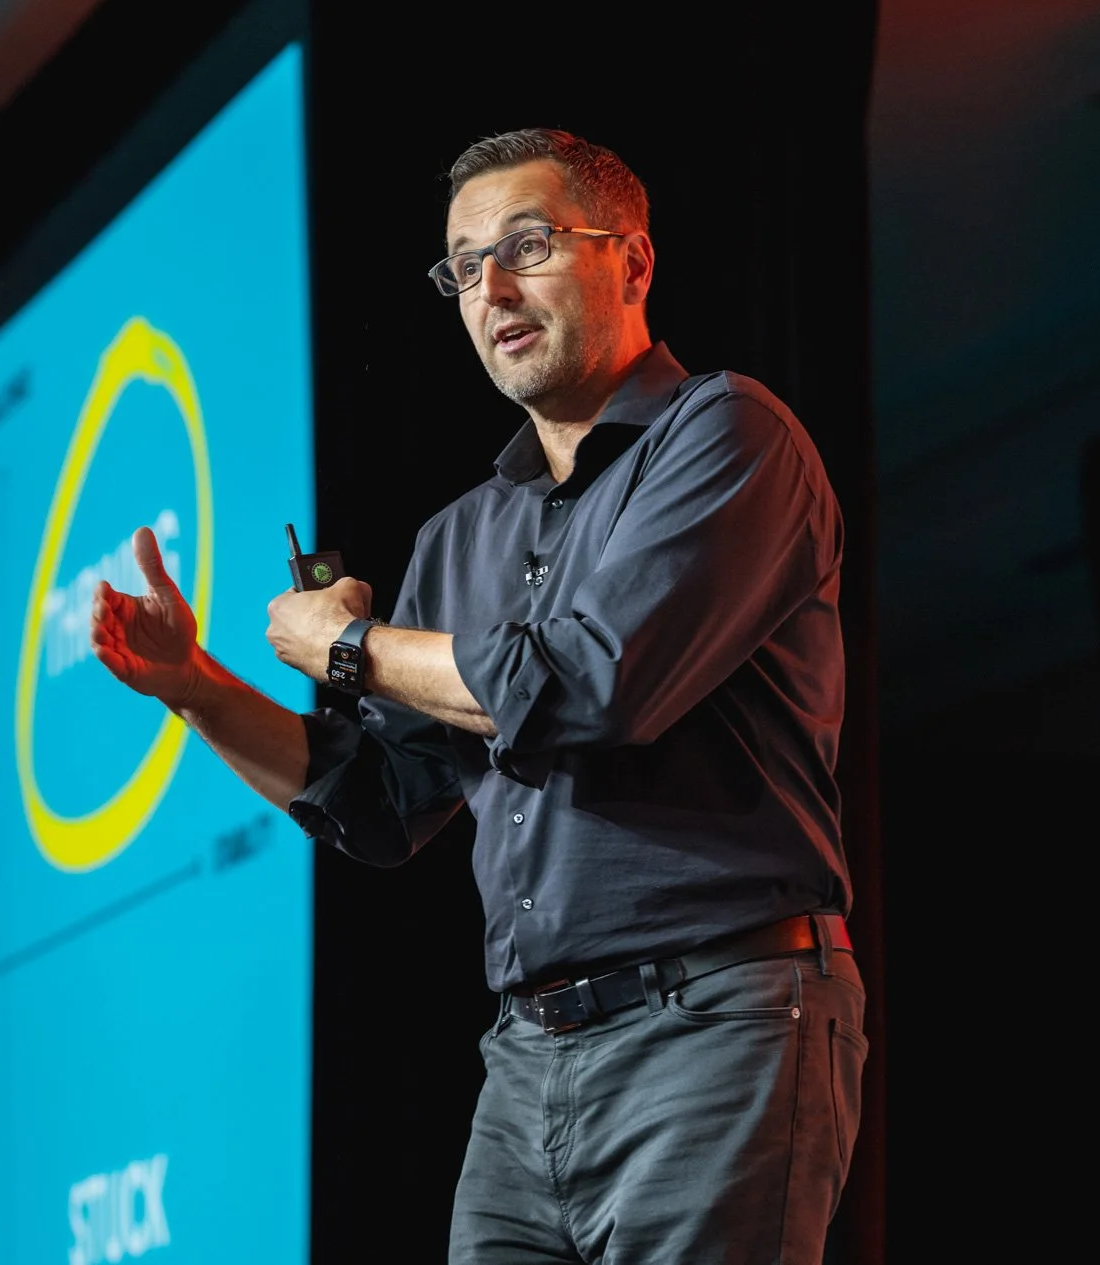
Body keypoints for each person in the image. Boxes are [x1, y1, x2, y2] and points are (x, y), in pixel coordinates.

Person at [89, 127, 866, 1265]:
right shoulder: (461, 534)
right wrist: (195, 687)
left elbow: (597, 686)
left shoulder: (728, 432)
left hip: (715, 1012)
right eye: (462, 265)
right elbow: (383, 798)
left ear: (633, 263)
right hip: (527, 1059)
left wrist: (352, 644)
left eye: (528, 244)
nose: (490, 287)